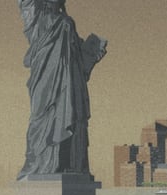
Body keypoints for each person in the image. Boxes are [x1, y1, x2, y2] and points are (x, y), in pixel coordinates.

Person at [17, 0, 107, 179]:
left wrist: (93, 51)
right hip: (46, 81)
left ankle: (68, 163)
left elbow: (80, 60)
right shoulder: (39, 17)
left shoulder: (67, 22)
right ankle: (45, 164)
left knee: (71, 118)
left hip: (71, 83)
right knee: (45, 120)